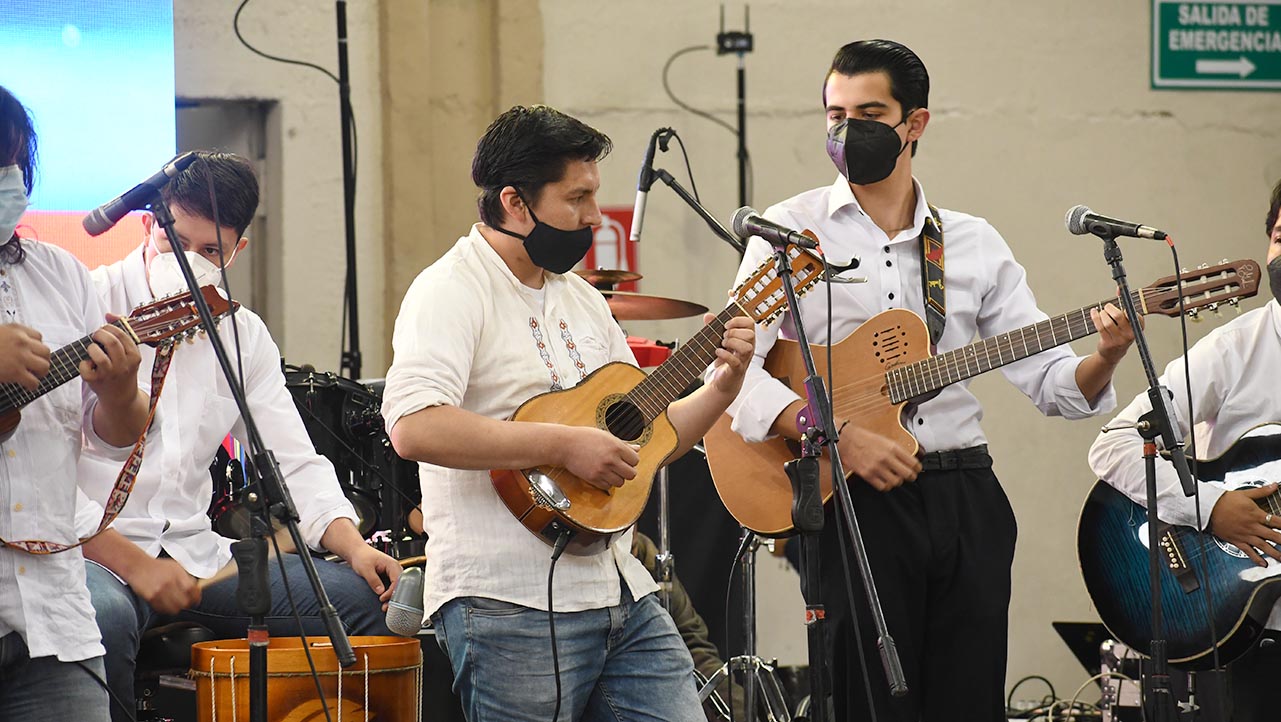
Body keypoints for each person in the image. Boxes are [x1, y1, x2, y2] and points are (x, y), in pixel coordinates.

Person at [721, 40, 1137, 721]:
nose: (844, 129)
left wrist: (1109, 353)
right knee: (868, 703)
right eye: (833, 113)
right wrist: (835, 435)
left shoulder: (972, 242)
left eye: (868, 112)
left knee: (967, 699)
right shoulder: (788, 231)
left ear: (914, 124)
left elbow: (1054, 386)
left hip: (963, 491)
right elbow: (731, 373)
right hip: (852, 500)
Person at [381, 105, 756, 722]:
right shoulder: (449, 289)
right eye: (576, 198)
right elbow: (413, 426)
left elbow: (648, 438)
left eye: (594, 197)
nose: (591, 217)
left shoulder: (582, 298)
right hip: (505, 600)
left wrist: (722, 386)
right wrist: (559, 444)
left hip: (620, 589)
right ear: (515, 202)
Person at [74, 151, 401, 722]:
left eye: (210, 253)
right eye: (176, 241)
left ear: (237, 252)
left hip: (200, 559)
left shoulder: (242, 333)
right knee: (102, 617)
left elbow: (292, 460)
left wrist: (352, 545)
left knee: (354, 603)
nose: (190, 263)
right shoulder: (86, 303)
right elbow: (38, 475)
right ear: (151, 223)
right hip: (97, 555)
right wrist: (133, 565)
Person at [1088, 179, 1281, 722]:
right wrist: (1211, 507)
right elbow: (1115, 444)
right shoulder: (1234, 350)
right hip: (1253, 631)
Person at [0, 85, 150, 722]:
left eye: (8, 164)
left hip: (54, 621)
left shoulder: (60, 273)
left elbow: (112, 438)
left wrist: (120, 390)